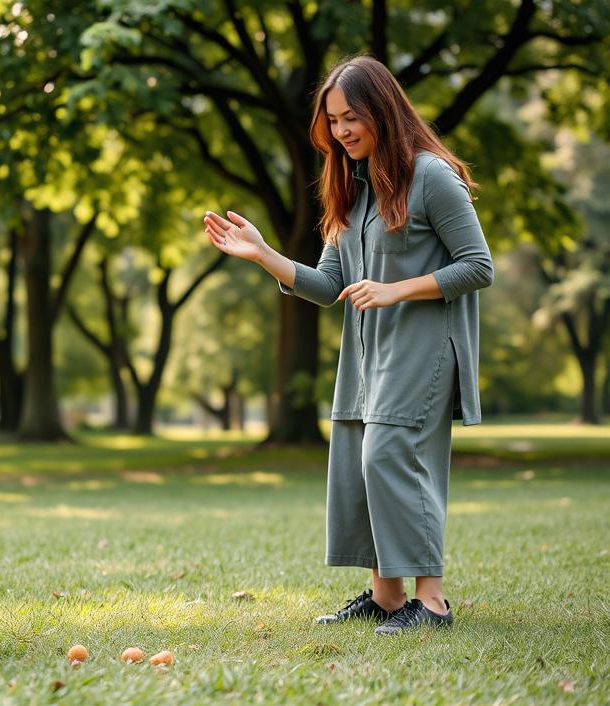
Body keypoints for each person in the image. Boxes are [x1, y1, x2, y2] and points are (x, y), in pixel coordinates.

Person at [203, 55, 493, 635]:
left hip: (425, 347)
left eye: (351, 116)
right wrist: (264, 256)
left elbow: (478, 266)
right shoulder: (351, 189)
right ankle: (386, 598)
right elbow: (329, 285)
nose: (342, 131)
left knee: (390, 456)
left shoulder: (431, 176)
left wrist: (396, 291)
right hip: (366, 356)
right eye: (333, 121)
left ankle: (430, 602)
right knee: (361, 465)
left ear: (382, 109)